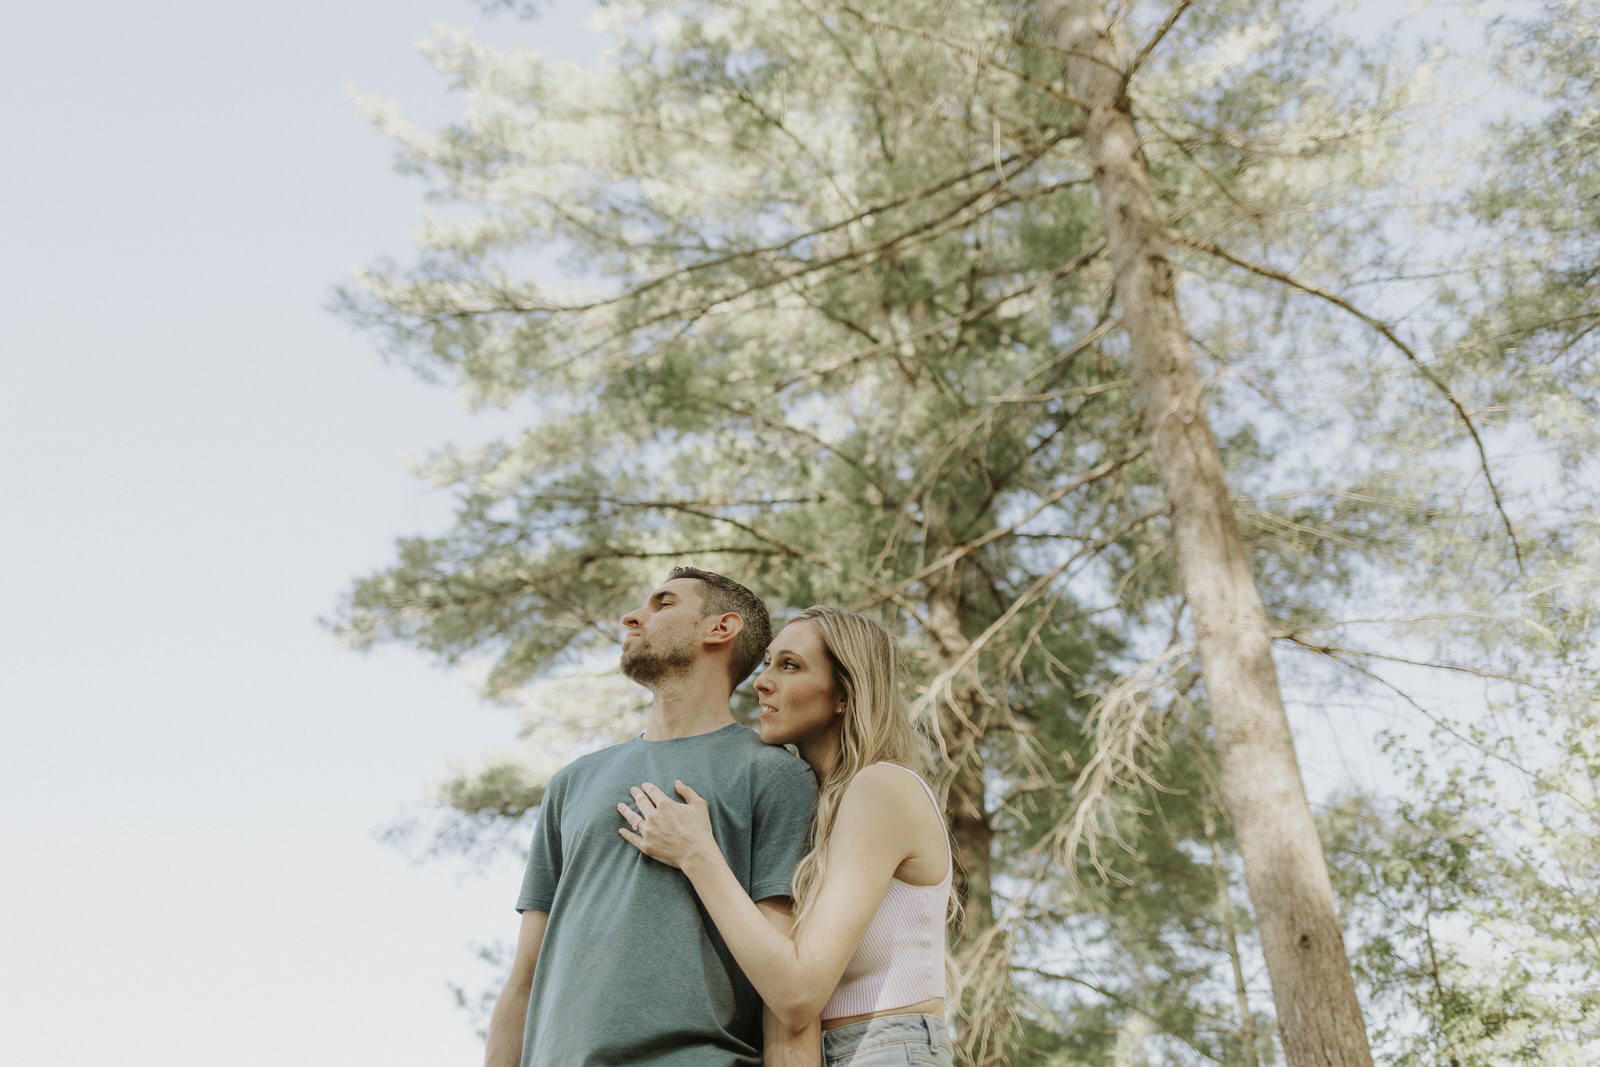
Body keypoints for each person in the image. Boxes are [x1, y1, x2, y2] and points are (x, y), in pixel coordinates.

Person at [483, 567, 822, 1067]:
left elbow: (785, 994)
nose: (632, 617)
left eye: (663, 603)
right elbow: (524, 979)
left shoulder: (775, 776)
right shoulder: (572, 782)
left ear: (720, 629)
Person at [619, 606, 956, 1066]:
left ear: (844, 694)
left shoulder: (881, 788)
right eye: (766, 663)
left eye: (790, 665)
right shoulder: (814, 805)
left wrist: (698, 854)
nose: (761, 681)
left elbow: (798, 993)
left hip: (885, 1049)